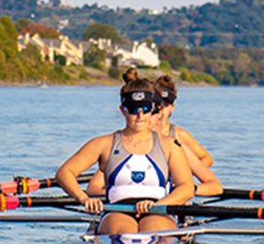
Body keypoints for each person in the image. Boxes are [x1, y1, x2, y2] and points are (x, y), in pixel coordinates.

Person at [56, 68, 194, 234]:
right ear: (122, 110)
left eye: (145, 109)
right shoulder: (103, 144)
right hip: (116, 211)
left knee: (154, 232)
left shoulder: (170, 145)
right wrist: (84, 198)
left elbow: (186, 187)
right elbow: (64, 173)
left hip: (158, 210)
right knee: (122, 232)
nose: (140, 116)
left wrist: (159, 204)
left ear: (153, 109)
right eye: (134, 109)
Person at [84, 74, 223, 198]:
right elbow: (93, 188)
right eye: (138, 110)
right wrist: (124, 192)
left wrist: (184, 188)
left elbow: (215, 186)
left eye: (151, 111)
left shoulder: (174, 145)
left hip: (163, 211)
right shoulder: (118, 147)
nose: (157, 116)